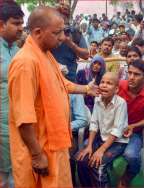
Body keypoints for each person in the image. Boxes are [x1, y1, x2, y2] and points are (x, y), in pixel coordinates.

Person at [8, 7, 97, 187]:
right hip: (40, 149)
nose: (63, 37)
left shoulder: (45, 54)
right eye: (57, 33)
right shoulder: (26, 62)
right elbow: (24, 119)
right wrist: (37, 155)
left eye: (63, 31)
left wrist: (87, 88)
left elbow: (62, 83)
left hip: (54, 146)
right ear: (38, 32)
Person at [76, 72, 128, 187]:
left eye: (109, 83)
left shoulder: (121, 103)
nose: (104, 85)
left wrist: (101, 150)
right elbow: (94, 124)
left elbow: (117, 131)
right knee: (81, 160)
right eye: (102, 82)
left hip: (117, 142)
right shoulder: (97, 100)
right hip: (102, 139)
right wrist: (89, 146)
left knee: (98, 164)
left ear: (116, 89)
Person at [118, 60, 144, 187]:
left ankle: (130, 174)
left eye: (136, 74)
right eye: (129, 73)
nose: (131, 77)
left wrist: (133, 126)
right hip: (113, 129)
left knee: (131, 155)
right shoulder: (119, 85)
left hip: (135, 133)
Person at [0, 1, 24, 187]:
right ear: (1, 24)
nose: (20, 28)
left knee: (15, 174)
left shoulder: (18, 51)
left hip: (18, 125)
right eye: (16, 23)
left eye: (21, 23)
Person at [51, 4, 89, 83]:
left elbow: (86, 55)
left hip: (70, 78)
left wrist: (70, 43)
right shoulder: (48, 31)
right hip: (50, 77)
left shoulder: (74, 32)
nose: (63, 17)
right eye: (60, 14)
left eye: (66, 14)